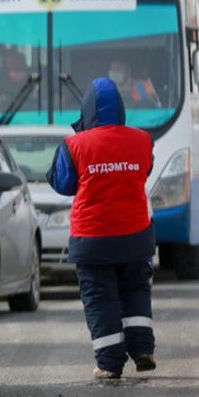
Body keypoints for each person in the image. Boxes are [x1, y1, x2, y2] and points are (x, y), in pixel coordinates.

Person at [46, 77, 156, 380]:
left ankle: (109, 363)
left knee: (100, 297)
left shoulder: (74, 145)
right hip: (135, 234)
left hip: (93, 237)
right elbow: (145, 170)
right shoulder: (141, 140)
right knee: (135, 289)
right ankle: (143, 350)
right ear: (120, 109)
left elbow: (62, 183)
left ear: (87, 110)